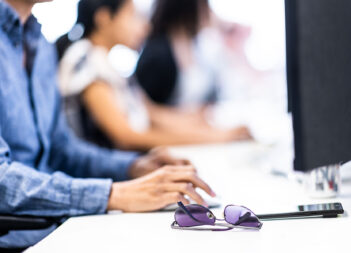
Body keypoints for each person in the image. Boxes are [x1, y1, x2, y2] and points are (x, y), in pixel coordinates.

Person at [0, 0, 216, 249]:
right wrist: (114, 194)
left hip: (61, 224)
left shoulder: (41, 47)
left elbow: (62, 148)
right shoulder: (83, 60)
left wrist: (132, 167)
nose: (143, 27)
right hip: (23, 238)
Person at [57, 0, 251, 151]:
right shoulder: (85, 60)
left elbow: (150, 112)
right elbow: (126, 136)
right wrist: (214, 138)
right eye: (133, 16)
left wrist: (203, 127)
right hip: (106, 175)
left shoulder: (106, 64)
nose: (145, 26)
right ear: (104, 18)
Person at [135, 0, 215, 108]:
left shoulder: (196, 45)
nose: (209, 12)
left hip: (192, 121)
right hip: (169, 123)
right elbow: (144, 108)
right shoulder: (157, 53)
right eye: (205, 6)